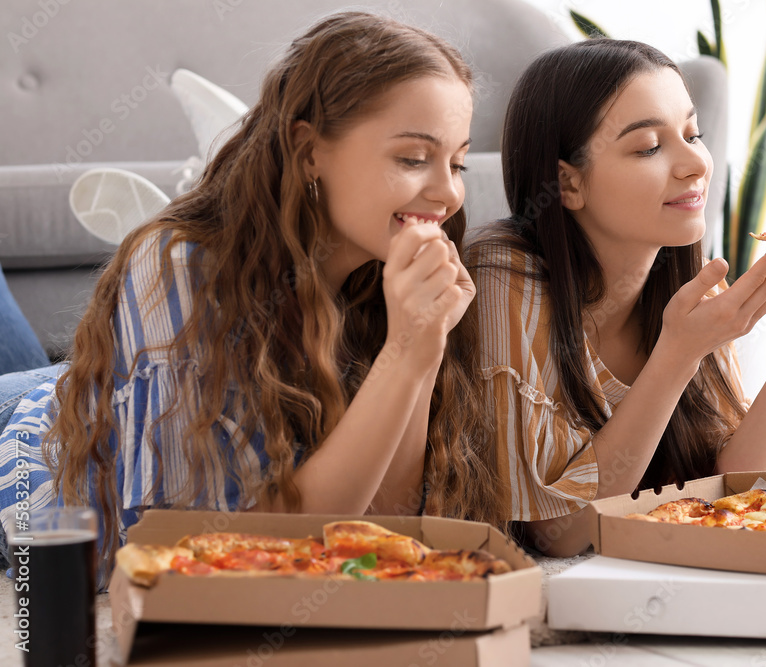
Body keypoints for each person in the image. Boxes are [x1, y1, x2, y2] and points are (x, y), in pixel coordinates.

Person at [0, 11, 501, 584]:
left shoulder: (378, 283)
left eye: (458, 163)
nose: (448, 193)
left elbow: (383, 525)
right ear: (308, 150)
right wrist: (405, 349)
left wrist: (421, 348)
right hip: (30, 447)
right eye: (413, 158)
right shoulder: (177, 266)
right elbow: (206, 558)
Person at [468, 39, 766, 557]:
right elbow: (562, 533)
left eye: (693, 135)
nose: (695, 164)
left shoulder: (693, 288)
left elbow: (740, 491)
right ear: (568, 184)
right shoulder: (503, 280)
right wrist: (678, 353)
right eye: (649, 146)